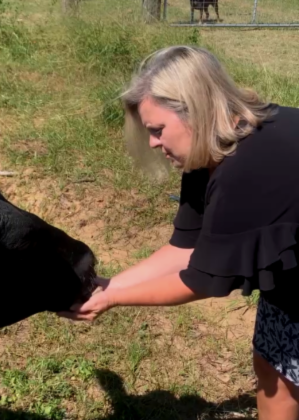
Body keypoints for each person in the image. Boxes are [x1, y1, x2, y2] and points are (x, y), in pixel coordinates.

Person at [57, 45, 299, 419]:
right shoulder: (208, 153)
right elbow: (184, 248)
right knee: (273, 369)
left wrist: (112, 300)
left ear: (197, 112)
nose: (152, 142)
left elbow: (201, 279)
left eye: (157, 130)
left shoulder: (245, 171)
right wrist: (109, 286)